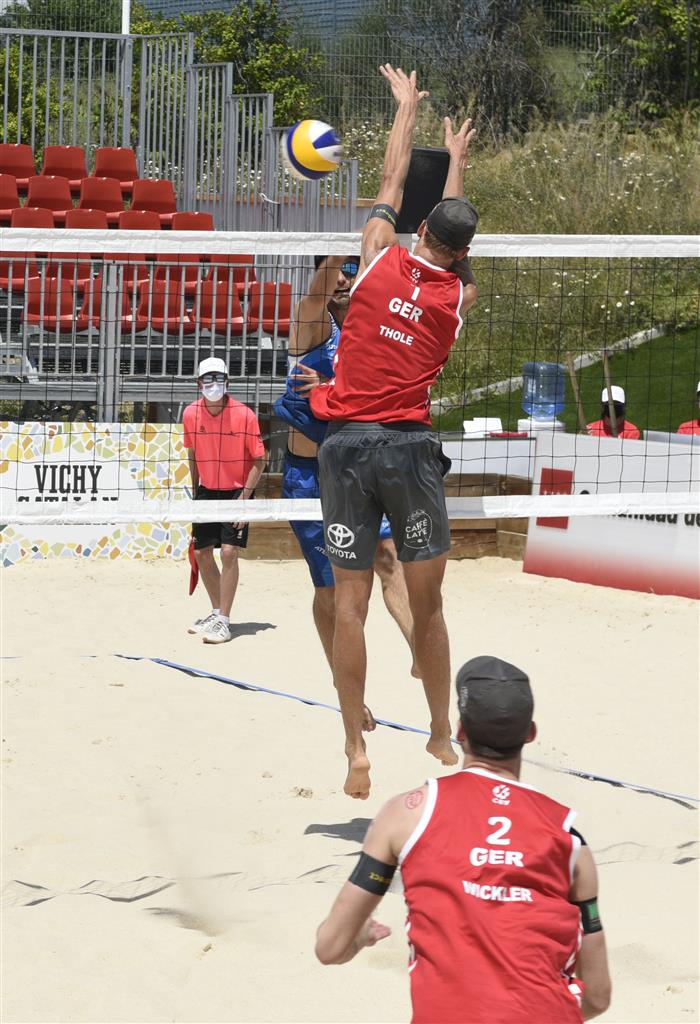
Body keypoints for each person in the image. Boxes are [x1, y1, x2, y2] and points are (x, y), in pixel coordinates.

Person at [298, 64, 478, 799]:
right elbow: (453, 228)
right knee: (427, 604)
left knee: (350, 606)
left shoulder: (375, 260)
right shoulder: (458, 297)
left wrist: (406, 106)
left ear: (419, 232)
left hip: (345, 447)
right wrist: (457, 162)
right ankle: (439, 730)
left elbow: (392, 180)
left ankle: (354, 750)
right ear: (461, 250)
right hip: (408, 449)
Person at [315, 655, 613, 1024]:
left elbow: (330, 948)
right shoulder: (571, 840)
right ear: (530, 734)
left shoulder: (408, 813)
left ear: (459, 731)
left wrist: (359, 937)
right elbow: (597, 996)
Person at [274, 254, 418, 721]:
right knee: (333, 593)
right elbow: (318, 293)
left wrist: (331, 389)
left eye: (351, 271)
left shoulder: (377, 333)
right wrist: (338, 246)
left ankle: (422, 650)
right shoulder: (312, 325)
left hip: (356, 468)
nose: (341, 278)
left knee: (389, 557)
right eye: (335, 269)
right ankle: (347, 689)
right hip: (310, 478)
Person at [183, 357, 266, 644]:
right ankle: (217, 612)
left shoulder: (245, 415)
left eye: (219, 378)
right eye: (208, 379)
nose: (214, 384)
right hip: (207, 491)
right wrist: (195, 494)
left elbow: (260, 460)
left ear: (228, 382)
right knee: (202, 553)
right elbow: (192, 453)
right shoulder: (190, 413)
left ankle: (225, 622)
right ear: (199, 383)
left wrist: (244, 500)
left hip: (237, 492)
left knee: (229, 553)